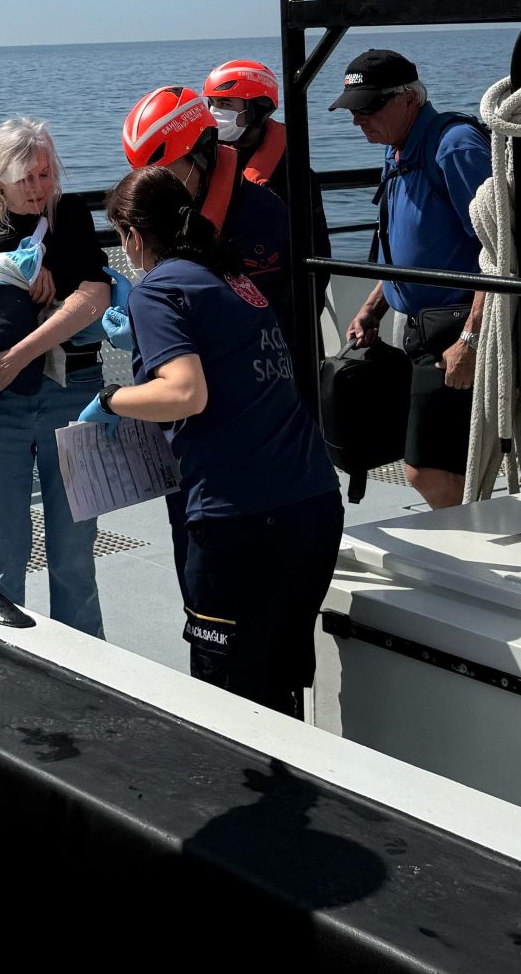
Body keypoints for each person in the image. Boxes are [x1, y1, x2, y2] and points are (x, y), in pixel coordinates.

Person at [84, 164, 340, 714]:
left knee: (229, 698)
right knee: (281, 684)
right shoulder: (232, 276)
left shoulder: (156, 290)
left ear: (132, 235)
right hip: (312, 505)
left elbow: (185, 392)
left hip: (241, 521)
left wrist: (111, 399)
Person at [0, 118, 109, 636]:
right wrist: (16, 280)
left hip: (72, 390)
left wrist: (18, 352)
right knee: (3, 553)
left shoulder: (71, 213)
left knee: (74, 555)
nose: (38, 188)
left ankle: (87, 665)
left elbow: (94, 297)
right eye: (25, 178)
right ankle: (4, 660)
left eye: (45, 174)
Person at [333, 47, 490, 509]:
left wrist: (471, 339)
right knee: (432, 461)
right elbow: (405, 243)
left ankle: (470, 542)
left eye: (368, 108)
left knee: (427, 470)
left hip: (454, 328)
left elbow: (501, 249)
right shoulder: (398, 148)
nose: (358, 120)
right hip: (420, 329)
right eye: (353, 110)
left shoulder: (455, 147)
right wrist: (372, 307)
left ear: (409, 99)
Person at [119, 84, 298, 359]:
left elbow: (277, 309)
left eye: (167, 173)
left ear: (201, 155)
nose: (155, 190)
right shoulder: (168, 212)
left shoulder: (263, 216)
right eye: (146, 177)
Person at [202, 58, 330, 279]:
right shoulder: (204, 161)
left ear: (257, 109)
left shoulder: (293, 175)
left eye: (225, 104)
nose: (215, 112)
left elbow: (316, 248)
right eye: (212, 103)